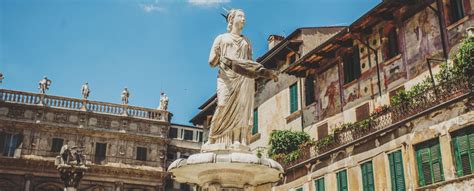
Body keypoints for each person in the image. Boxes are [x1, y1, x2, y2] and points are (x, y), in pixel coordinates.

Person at [207, 9, 278, 147]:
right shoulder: (221, 38)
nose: (244, 19)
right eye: (240, 16)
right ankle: (213, 137)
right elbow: (211, 62)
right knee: (222, 105)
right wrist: (218, 56)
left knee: (242, 110)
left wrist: (265, 72)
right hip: (226, 78)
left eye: (244, 17)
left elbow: (249, 63)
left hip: (244, 79)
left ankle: (239, 140)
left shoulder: (247, 41)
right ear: (231, 19)